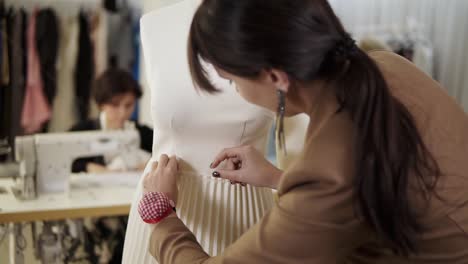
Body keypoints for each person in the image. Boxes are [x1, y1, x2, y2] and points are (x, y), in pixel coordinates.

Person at [141, 0, 468, 263]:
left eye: (232, 82)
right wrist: (277, 178)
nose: (237, 92)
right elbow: (370, 193)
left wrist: (161, 215)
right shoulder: (388, 67)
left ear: (275, 78)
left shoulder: (329, 172)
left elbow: (336, 187)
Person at [121, 1, 276, 263]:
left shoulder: (275, 23)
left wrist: (279, 178)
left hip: (244, 210)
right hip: (160, 198)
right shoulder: (156, 25)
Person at [70, 68, 153, 173]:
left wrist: (151, 163)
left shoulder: (142, 133)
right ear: (101, 105)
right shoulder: (80, 131)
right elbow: (65, 160)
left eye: (129, 105)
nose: (122, 112)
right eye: (115, 105)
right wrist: (88, 167)